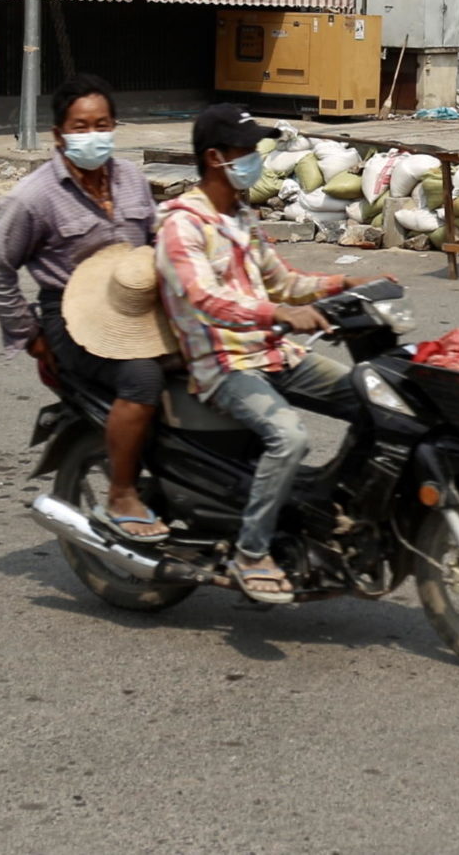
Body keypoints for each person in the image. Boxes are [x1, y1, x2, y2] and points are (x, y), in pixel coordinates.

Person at [154, 105, 365, 604]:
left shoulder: (242, 216)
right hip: (223, 363)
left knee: (374, 397)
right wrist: (277, 315)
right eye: (246, 152)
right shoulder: (180, 225)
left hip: (273, 350)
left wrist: (346, 285)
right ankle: (251, 552)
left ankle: (331, 511)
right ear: (215, 157)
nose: (256, 161)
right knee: (289, 439)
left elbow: (284, 282)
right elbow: (204, 299)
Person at [0, 72, 168, 542]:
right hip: (73, 318)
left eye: (102, 124)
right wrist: (31, 336)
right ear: (59, 135)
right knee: (142, 376)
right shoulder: (33, 196)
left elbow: (157, 239)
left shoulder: (132, 179)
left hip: (138, 306)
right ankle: (121, 493)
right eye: (80, 127)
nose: (92, 135)